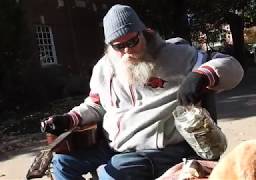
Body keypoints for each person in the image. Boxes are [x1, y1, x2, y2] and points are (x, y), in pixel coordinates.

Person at [42, 4, 244, 180]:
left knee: (111, 173)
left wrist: (201, 75)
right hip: (115, 145)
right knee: (62, 164)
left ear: (144, 33)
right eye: (119, 46)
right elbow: (96, 104)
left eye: (132, 42)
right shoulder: (104, 68)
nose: (127, 50)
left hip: (160, 148)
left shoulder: (176, 55)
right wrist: (69, 119)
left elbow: (231, 65)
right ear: (110, 45)